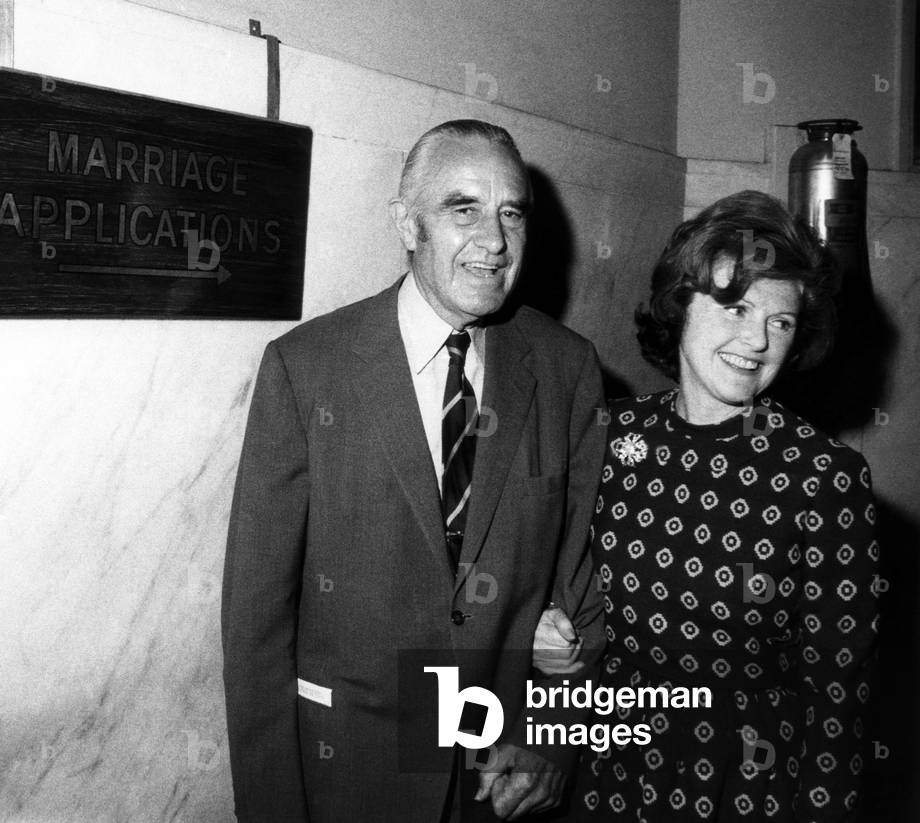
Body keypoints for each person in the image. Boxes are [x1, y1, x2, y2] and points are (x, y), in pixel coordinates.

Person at [222, 119, 607, 823]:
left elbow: (581, 589)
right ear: (407, 223)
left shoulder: (566, 368)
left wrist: (552, 739)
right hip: (349, 777)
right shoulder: (306, 369)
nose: (494, 240)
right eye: (464, 209)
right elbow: (255, 627)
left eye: (511, 212)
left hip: (497, 785)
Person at [534, 190, 880, 821]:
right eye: (736, 308)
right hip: (604, 763)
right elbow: (550, 578)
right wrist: (547, 629)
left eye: (781, 322)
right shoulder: (610, 434)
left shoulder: (823, 477)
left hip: (742, 781)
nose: (758, 341)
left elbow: (838, 698)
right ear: (680, 304)